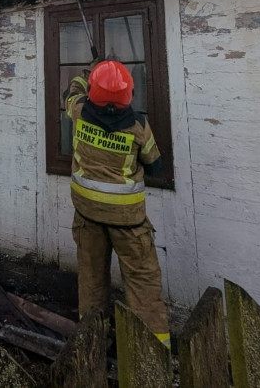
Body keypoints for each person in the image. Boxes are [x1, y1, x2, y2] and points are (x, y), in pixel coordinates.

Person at [63, 60, 170, 345]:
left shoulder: (79, 112)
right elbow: (156, 166)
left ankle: (92, 341)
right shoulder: (138, 127)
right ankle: (152, 350)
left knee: (92, 281)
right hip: (129, 222)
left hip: (88, 215)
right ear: (129, 93)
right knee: (143, 284)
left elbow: (71, 91)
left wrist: (88, 74)